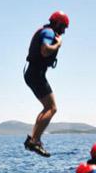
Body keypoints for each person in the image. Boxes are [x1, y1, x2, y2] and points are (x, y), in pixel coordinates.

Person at [23, 11, 69, 157]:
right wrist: (58, 45)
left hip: (33, 73)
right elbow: (45, 50)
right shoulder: (49, 33)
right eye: (64, 27)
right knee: (52, 107)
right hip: (35, 73)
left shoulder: (47, 31)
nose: (64, 31)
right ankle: (35, 140)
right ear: (58, 23)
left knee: (48, 107)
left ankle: (34, 139)